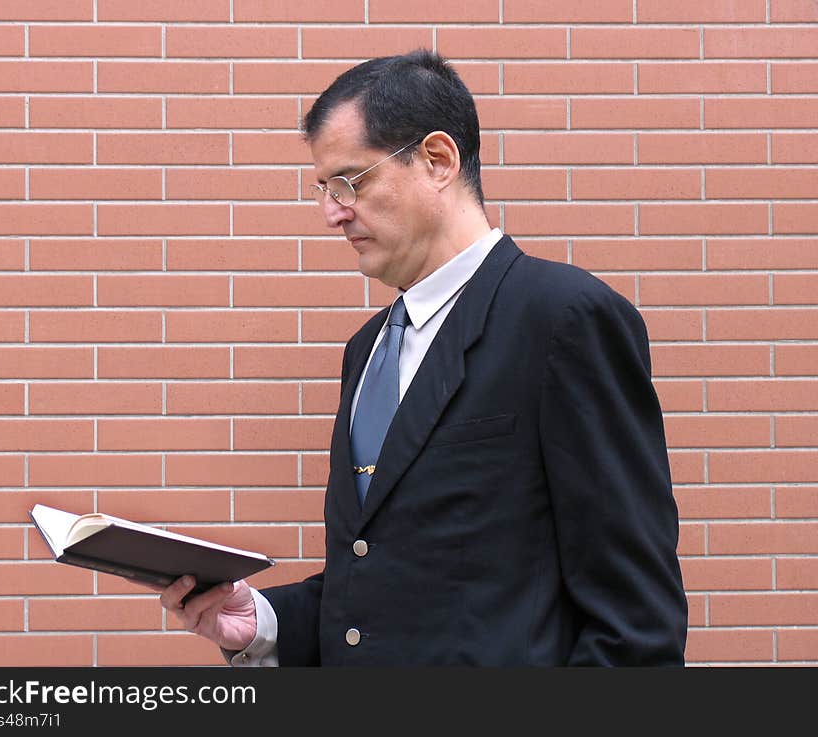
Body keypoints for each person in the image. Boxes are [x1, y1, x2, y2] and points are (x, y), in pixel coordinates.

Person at [149, 49, 688, 666]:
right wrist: (263, 622)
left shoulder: (563, 319)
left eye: (351, 181)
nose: (332, 213)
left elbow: (636, 622)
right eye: (323, 189)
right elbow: (382, 576)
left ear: (438, 160)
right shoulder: (368, 349)